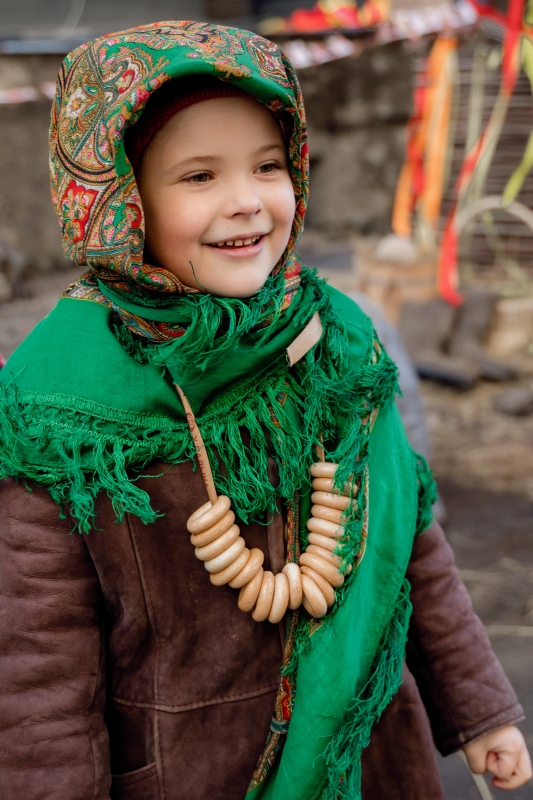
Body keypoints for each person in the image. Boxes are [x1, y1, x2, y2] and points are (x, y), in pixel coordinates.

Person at [0, 21, 530, 800]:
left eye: (268, 165)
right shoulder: (56, 410)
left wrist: (479, 711)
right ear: (117, 202)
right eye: (198, 176)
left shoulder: (337, 343)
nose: (247, 202)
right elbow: (38, 669)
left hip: (368, 760)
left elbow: (409, 544)